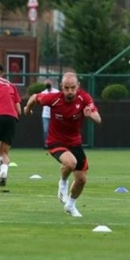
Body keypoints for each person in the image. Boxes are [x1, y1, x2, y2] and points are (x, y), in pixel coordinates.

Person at [23, 72, 101, 217]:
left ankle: (70, 205)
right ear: (61, 87)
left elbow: (99, 119)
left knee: (81, 179)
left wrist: (91, 115)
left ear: (78, 86)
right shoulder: (54, 99)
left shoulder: (84, 98)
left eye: (72, 88)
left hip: (75, 142)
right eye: (66, 88)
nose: (70, 92)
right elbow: (34, 97)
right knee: (70, 163)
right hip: (55, 141)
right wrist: (27, 109)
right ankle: (63, 183)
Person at [41, 79, 59, 148]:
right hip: (45, 115)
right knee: (46, 130)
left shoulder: (56, 92)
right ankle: (46, 144)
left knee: (56, 130)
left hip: (54, 115)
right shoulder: (43, 93)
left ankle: (56, 144)